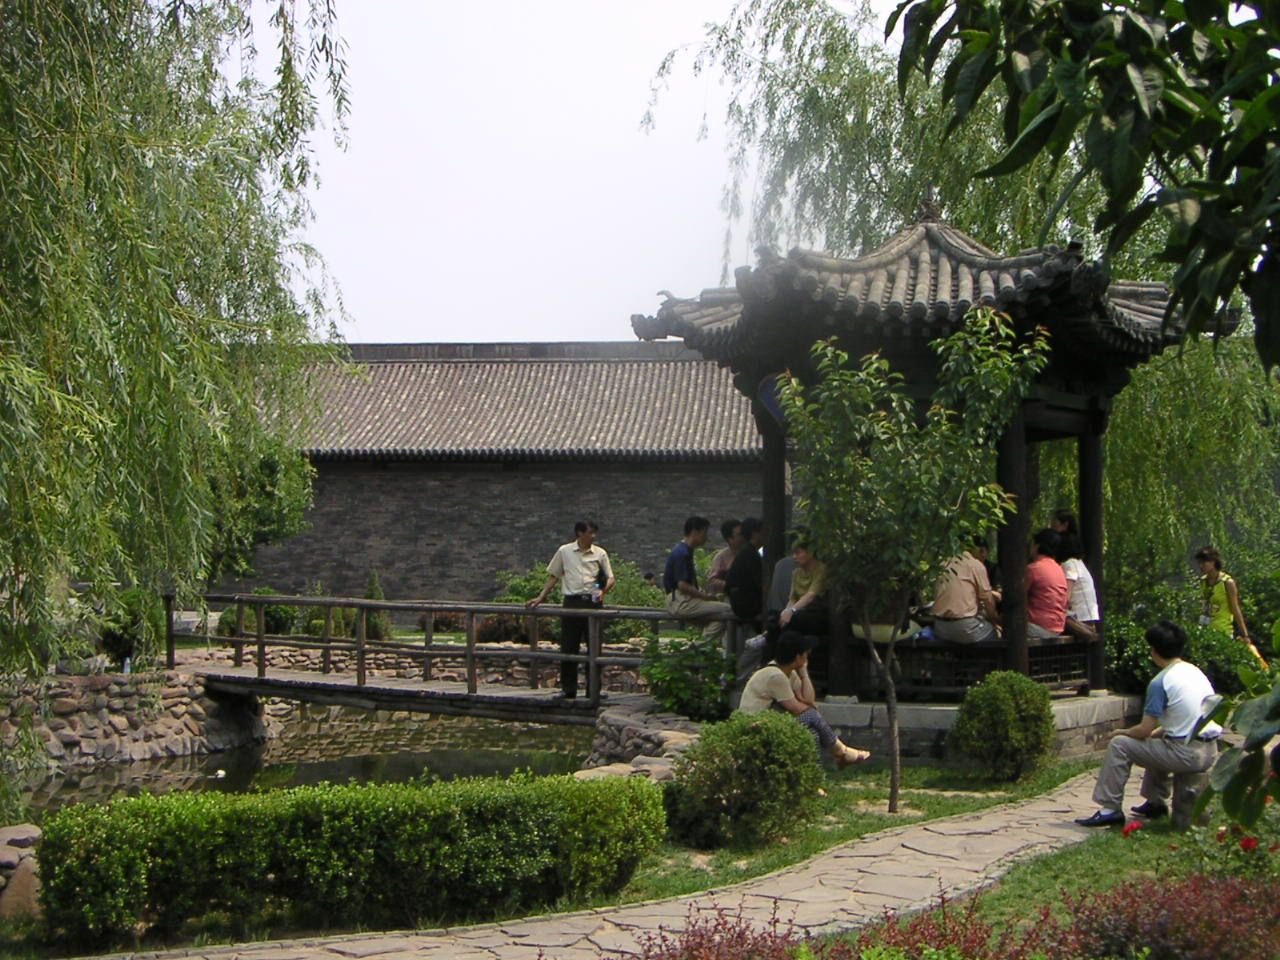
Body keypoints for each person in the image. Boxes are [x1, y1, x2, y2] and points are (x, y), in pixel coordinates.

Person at [1075, 620, 1222, 826]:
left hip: (1186, 755)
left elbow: (1144, 729)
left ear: (1154, 650)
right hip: (1209, 750)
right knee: (1158, 742)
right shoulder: (1194, 672)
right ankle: (1155, 801)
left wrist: (1121, 733)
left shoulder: (1160, 682)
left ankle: (1110, 808)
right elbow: (1184, 720)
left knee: (1120, 745)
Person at [739, 630, 871, 767]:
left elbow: (808, 699)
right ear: (798, 656)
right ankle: (841, 751)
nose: (808, 656)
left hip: (774, 722)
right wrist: (810, 708)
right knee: (811, 716)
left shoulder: (789, 673)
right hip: (756, 727)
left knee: (812, 733)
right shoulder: (775, 675)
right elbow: (797, 709)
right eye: (805, 654)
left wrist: (804, 674)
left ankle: (812, 778)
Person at [527, 520, 615, 699]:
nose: (593, 537)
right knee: (569, 646)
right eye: (590, 533)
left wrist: (603, 590)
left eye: (594, 533)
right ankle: (568, 689)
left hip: (593, 602)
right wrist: (541, 597)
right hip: (572, 602)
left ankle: (594, 690)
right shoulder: (564, 551)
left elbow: (611, 577)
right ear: (579, 534)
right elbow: (554, 576)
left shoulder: (600, 553)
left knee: (595, 647)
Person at [1195, 545, 1268, 668]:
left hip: (1222, 629)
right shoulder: (1203, 581)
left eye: (1204, 562)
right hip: (1204, 627)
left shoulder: (1227, 582)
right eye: (1200, 563)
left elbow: (1235, 608)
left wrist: (1244, 634)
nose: (1201, 566)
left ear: (1213, 562)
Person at [663, 516, 732, 642]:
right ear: (695, 532)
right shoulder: (682, 553)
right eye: (704, 533)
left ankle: (701, 647)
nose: (706, 537)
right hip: (679, 601)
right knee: (727, 610)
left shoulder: (685, 551)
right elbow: (682, 585)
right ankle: (702, 650)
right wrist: (704, 597)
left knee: (717, 620)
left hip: (680, 599)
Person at [930, 536, 1001, 643]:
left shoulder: (942, 564)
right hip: (965, 628)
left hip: (940, 627)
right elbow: (988, 602)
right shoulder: (975, 565)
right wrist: (995, 621)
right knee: (995, 634)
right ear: (979, 550)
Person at [1026, 528, 1068, 639]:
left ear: (1037, 546)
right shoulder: (1058, 568)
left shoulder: (1033, 569)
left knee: (1006, 622)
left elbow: (1016, 597)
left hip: (1038, 627)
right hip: (1057, 627)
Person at [1056, 532, 1099, 641]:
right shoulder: (1080, 564)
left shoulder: (1069, 564)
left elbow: (1066, 596)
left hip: (1080, 619)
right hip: (1089, 618)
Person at [726, 517, 766, 626]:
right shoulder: (750, 554)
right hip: (747, 605)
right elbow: (760, 582)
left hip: (740, 602)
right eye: (762, 531)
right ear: (754, 533)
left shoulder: (745, 552)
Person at [706, 518, 744, 595]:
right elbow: (712, 581)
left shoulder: (751, 554)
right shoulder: (721, 557)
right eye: (739, 535)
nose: (743, 537)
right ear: (730, 539)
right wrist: (730, 586)